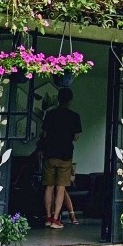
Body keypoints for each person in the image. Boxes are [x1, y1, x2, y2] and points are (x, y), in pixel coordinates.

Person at [40, 89, 82, 229]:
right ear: (70, 101)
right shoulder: (74, 116)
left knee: (49, 187)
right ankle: (56, 219)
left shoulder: (50, 114)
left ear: (58, 99)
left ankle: (47, 217)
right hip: (65, 155)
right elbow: (76, 137)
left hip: (49, 154)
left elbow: (44, 134)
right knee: (60, 188)